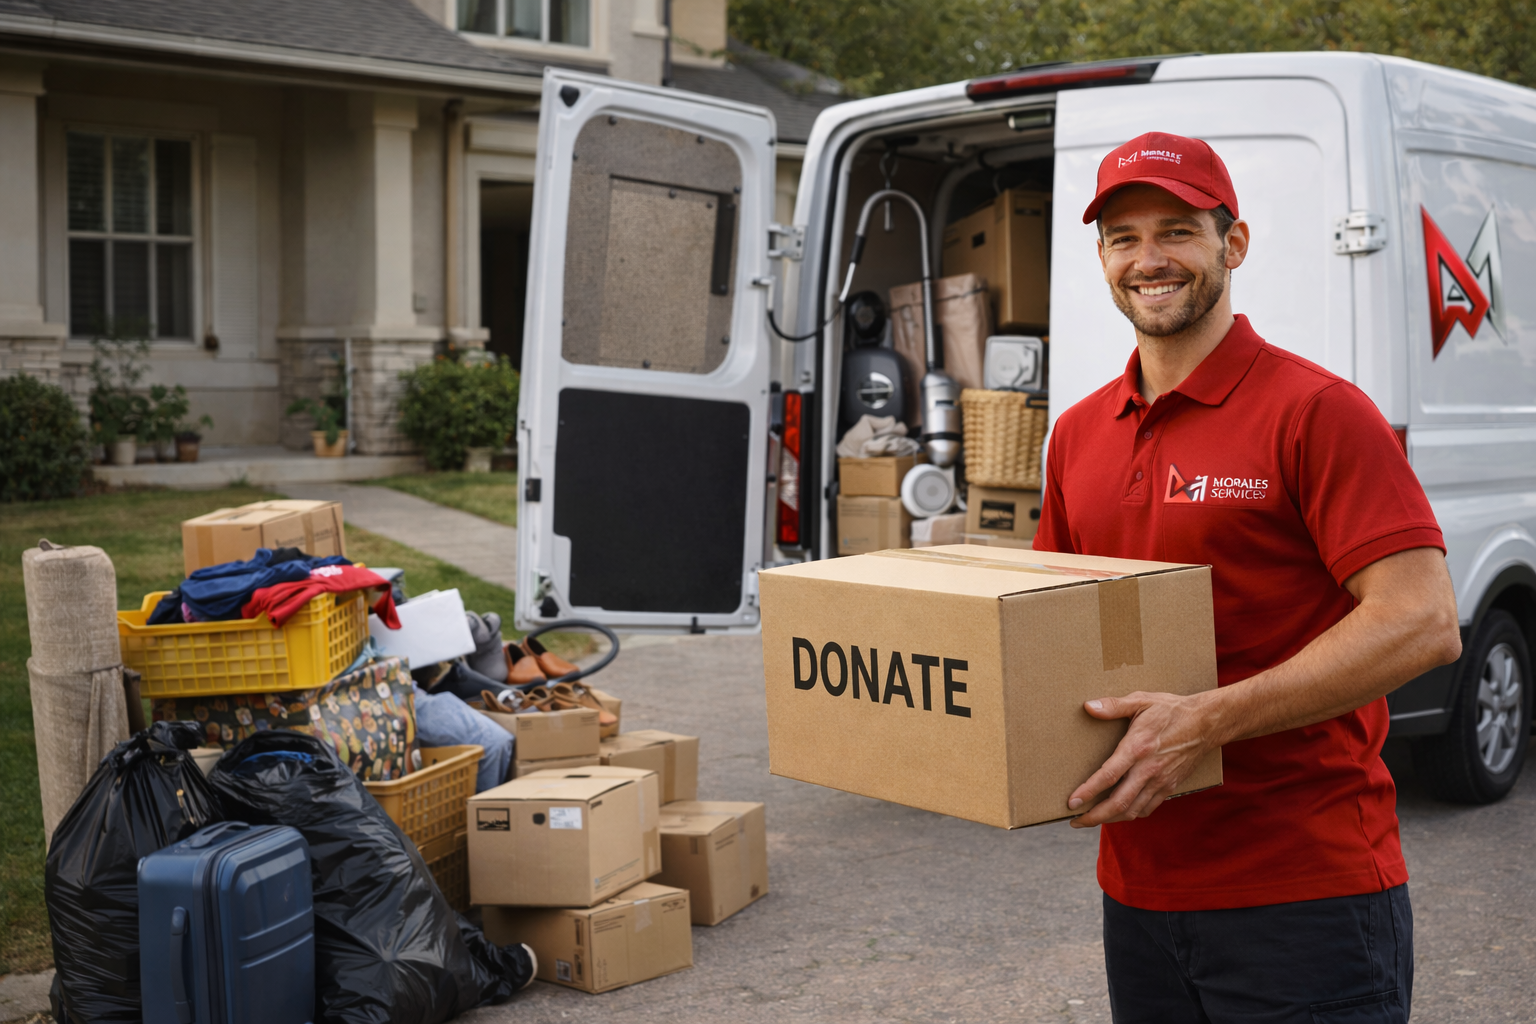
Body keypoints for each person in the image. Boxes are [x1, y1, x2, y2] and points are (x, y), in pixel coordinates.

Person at [1033, 131, 1463, 1023]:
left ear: (1232, 245)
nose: (1148, 260)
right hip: (1139, 892)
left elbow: (1422, 620)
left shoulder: (1317, 412)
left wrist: (1207, 723)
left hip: (1306, 895)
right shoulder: (1078, 434)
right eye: (1122, 237)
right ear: (1102, 258)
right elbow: (1055, 629)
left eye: (1177, 231)